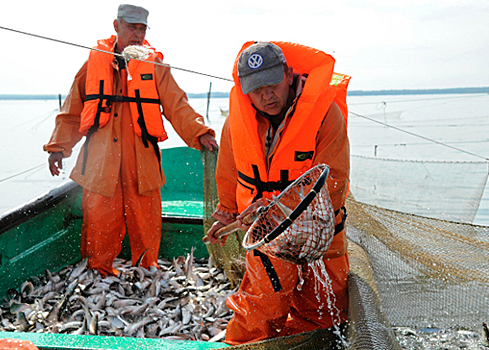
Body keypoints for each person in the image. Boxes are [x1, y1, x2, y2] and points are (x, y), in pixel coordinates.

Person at [44, 4, 217, 277]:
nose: (137, 34)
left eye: (142, 28)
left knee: (145, 219)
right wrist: (57, 148)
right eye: (131, 27)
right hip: (101, 162)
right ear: (116, 26)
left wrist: (200, 132)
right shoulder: (93, 64)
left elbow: (177, 105)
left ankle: (147, 270)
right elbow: (72, 110)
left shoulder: (156, 65)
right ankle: (98, 271)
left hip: (142, 159)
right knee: (100, 218)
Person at [205, 41, 351, 345]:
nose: (266, 95)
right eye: (256, 89)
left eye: (272, 84)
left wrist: (276, 210)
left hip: (321, 234)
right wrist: (226, 214)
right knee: (258, 313)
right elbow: (229, 175)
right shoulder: (236, 123)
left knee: (322, 315)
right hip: (267, 241)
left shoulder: (326, 115)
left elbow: (333, 182)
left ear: (287, 74)